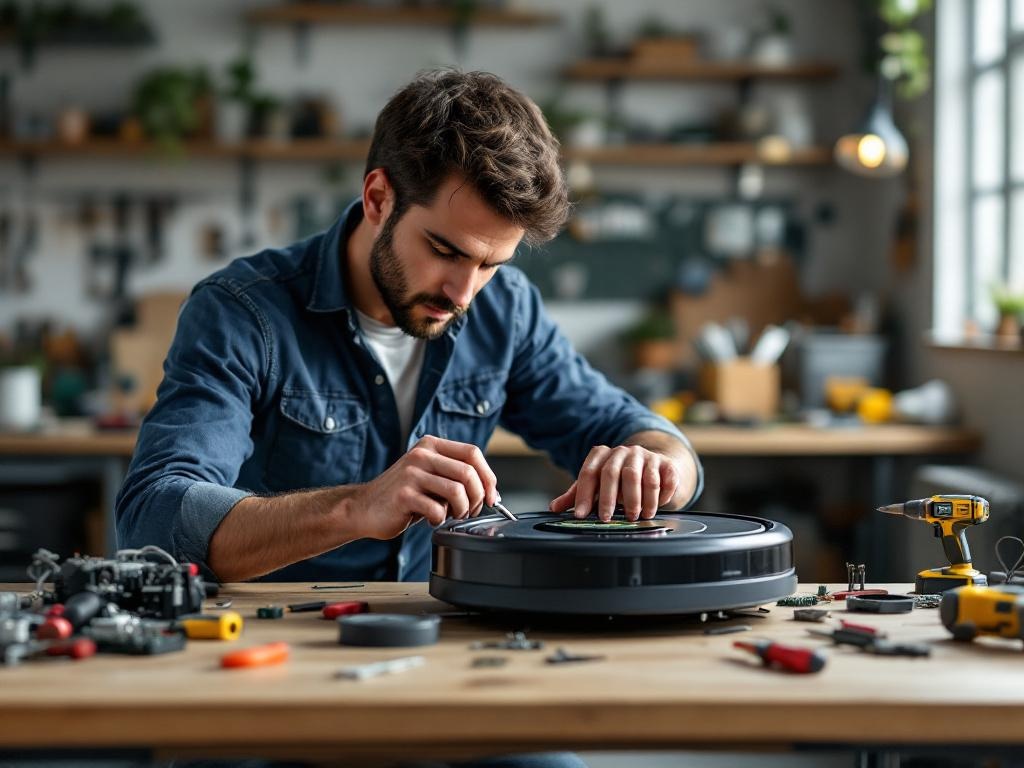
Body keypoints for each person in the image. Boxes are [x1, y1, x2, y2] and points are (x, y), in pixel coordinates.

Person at [116, 69, 704, 583]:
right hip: (283, 652)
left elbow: (640, 433)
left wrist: (655, 466)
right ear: (377, 198)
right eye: (445, 250)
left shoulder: (508, 311)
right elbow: (153, 522)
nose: (463, 293)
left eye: (490, 265)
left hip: (439, 641)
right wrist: (356, 507)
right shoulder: (243, 313)